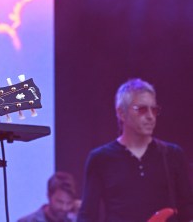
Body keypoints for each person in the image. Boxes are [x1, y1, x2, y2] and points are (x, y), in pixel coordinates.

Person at [77, 78, 193, 221]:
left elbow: (187, 210)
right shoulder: (100, 158)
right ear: (121, 113)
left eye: (154, 109)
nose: (150, 116)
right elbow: (87, 216)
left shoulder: (172, 155)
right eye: (142, 109)